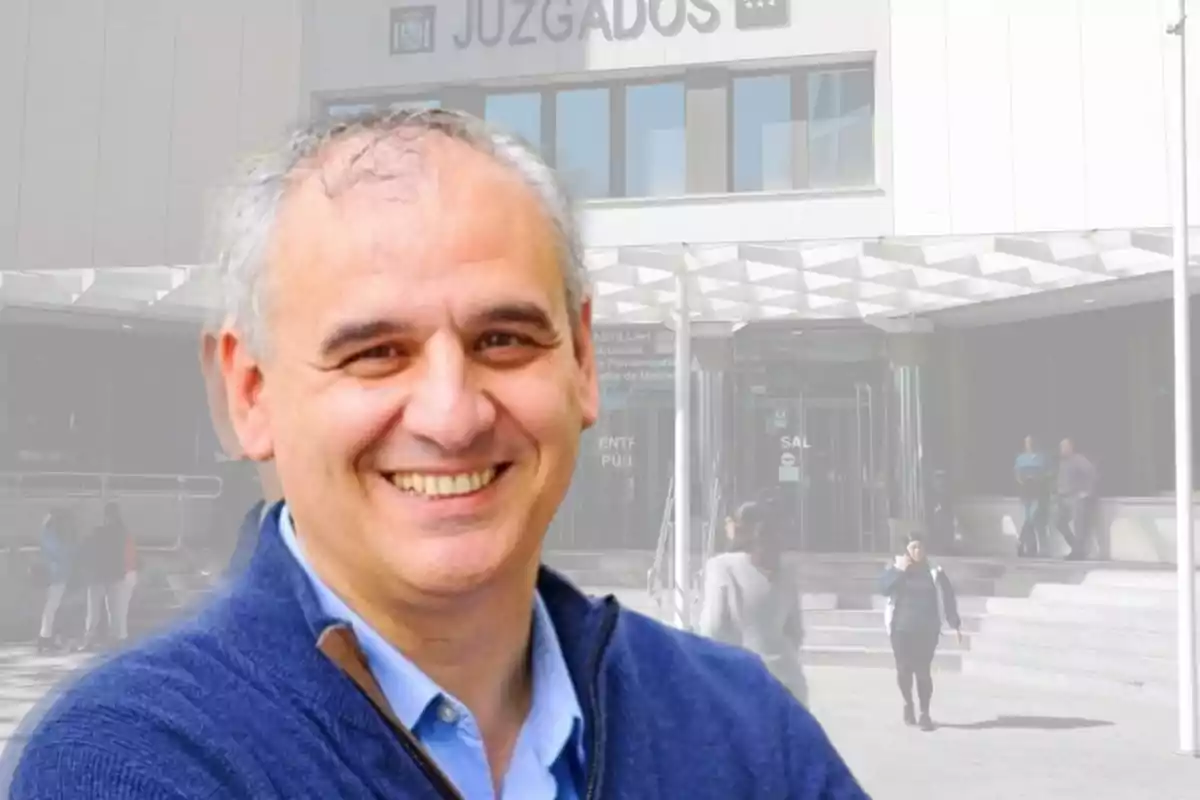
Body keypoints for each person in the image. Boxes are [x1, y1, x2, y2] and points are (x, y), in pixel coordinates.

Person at [6, 109, 865, 799]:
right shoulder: (130, 765)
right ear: (251, 393)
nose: (453, 416)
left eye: (503, 338)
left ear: (584, 362)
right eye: (376, 352)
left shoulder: (745, 732)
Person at [698, 501, 808, 705]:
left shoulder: (721, 568)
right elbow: (796, 632)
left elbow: (712, 628)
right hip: (789, 684)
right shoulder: (786, 573)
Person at [879, 533, 961, 732]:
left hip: (927, 629)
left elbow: (948, 597)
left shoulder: (935, 571)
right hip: (901, 629)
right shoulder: (896, 568)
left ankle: (925, 713)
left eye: (920, 547)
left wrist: (955, 624)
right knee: (904, 670)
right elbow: (883, 588)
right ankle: (908, 703)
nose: (917, 551)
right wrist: (900, 571)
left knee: (923, 671)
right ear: (906, 549)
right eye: (913, 547)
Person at [79, 502, 138, 650]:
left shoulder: (97, 532)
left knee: (94, 611)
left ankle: (90, 639)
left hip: (99, 576)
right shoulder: (122, 533)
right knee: (114, 610)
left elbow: (87, 551)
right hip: (114, 575)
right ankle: (115, 639)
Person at [36, 508, 79, 654]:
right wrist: (71, 549)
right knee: (52, 607)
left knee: (54, 608)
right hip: (56, 575)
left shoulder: (50, 535)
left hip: (59, 574)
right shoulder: (49, 536)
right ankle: (45, 637)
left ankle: (50, 637)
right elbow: (60, 553)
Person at [1055, 437, 1099, 560]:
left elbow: (1092, 473)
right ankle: (1076, 547)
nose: (1062, 449)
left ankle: (1077, 552)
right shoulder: (1062, 462)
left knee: (1078, 525)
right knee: (1059, 523)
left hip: (1075, 497)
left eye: (1064, 447)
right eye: (1061, 447)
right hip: (1063, 498)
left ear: (1071, 447)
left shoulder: (1078, 459)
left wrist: (1087, 491)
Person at [1014, 435, 1050, 557]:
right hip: (1025, 491)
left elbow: (1045, 473)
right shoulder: (1020, 458)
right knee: (1028, 518)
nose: (1028, 444)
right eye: (1026, 442)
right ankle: (1031, 548)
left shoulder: (1040, 457)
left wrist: (1035, 479)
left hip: (1037, 491)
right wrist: (1023, 480)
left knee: (1031, 518)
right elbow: (1017, 473)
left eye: (1030, 442)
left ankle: (1021, 542)